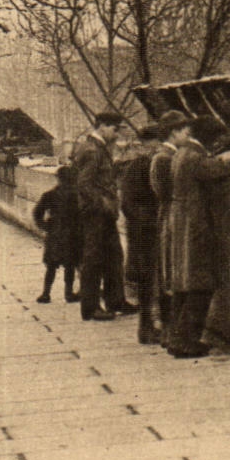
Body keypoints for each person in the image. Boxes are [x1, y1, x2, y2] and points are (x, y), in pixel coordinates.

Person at [163, 114, 230, 358]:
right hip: (195, 226)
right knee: (200, 283)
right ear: (210, 138)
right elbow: (217, 170)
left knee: (184, 285)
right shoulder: (194, 156)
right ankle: (187, 342)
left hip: (182, 223)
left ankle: (175, 338)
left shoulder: (181, 152)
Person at [71, 111, 132, 321]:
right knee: (94, 259)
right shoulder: (93, 150)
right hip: (95, 213)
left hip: (103, 213)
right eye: (115, 130)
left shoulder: (97, 148)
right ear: (102, 126)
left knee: (114, 256)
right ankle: (91, 307)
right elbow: (83, 184)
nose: (116, 135)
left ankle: (116, 301)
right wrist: (103, 203)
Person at [119, 122, 166, 345]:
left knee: (147, 283)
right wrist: (152, 221)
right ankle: (148, 330)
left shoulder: (135, 165)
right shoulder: (143, 165)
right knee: (149, 283)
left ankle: (147, 328)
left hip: (139, 231)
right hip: (145, 232)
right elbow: (132, 203)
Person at [149, 110, 190, 337]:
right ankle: (170, 329)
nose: (187, 136)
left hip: (167, 215)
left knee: (167, 270)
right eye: (185, 132)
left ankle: (168, 329)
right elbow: (166, 191)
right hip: (170, 217)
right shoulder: (166, 158)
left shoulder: (161, 156)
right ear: (174, 133)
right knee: (170, 271)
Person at [32, 165, 82, 304]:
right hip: (72, 235)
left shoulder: (50, 194)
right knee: (70, 266)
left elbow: (37, 213)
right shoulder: (77, 195)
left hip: (55, 234)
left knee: (51, 267)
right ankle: (68, 293)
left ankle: (46, 293)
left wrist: (45, 226)